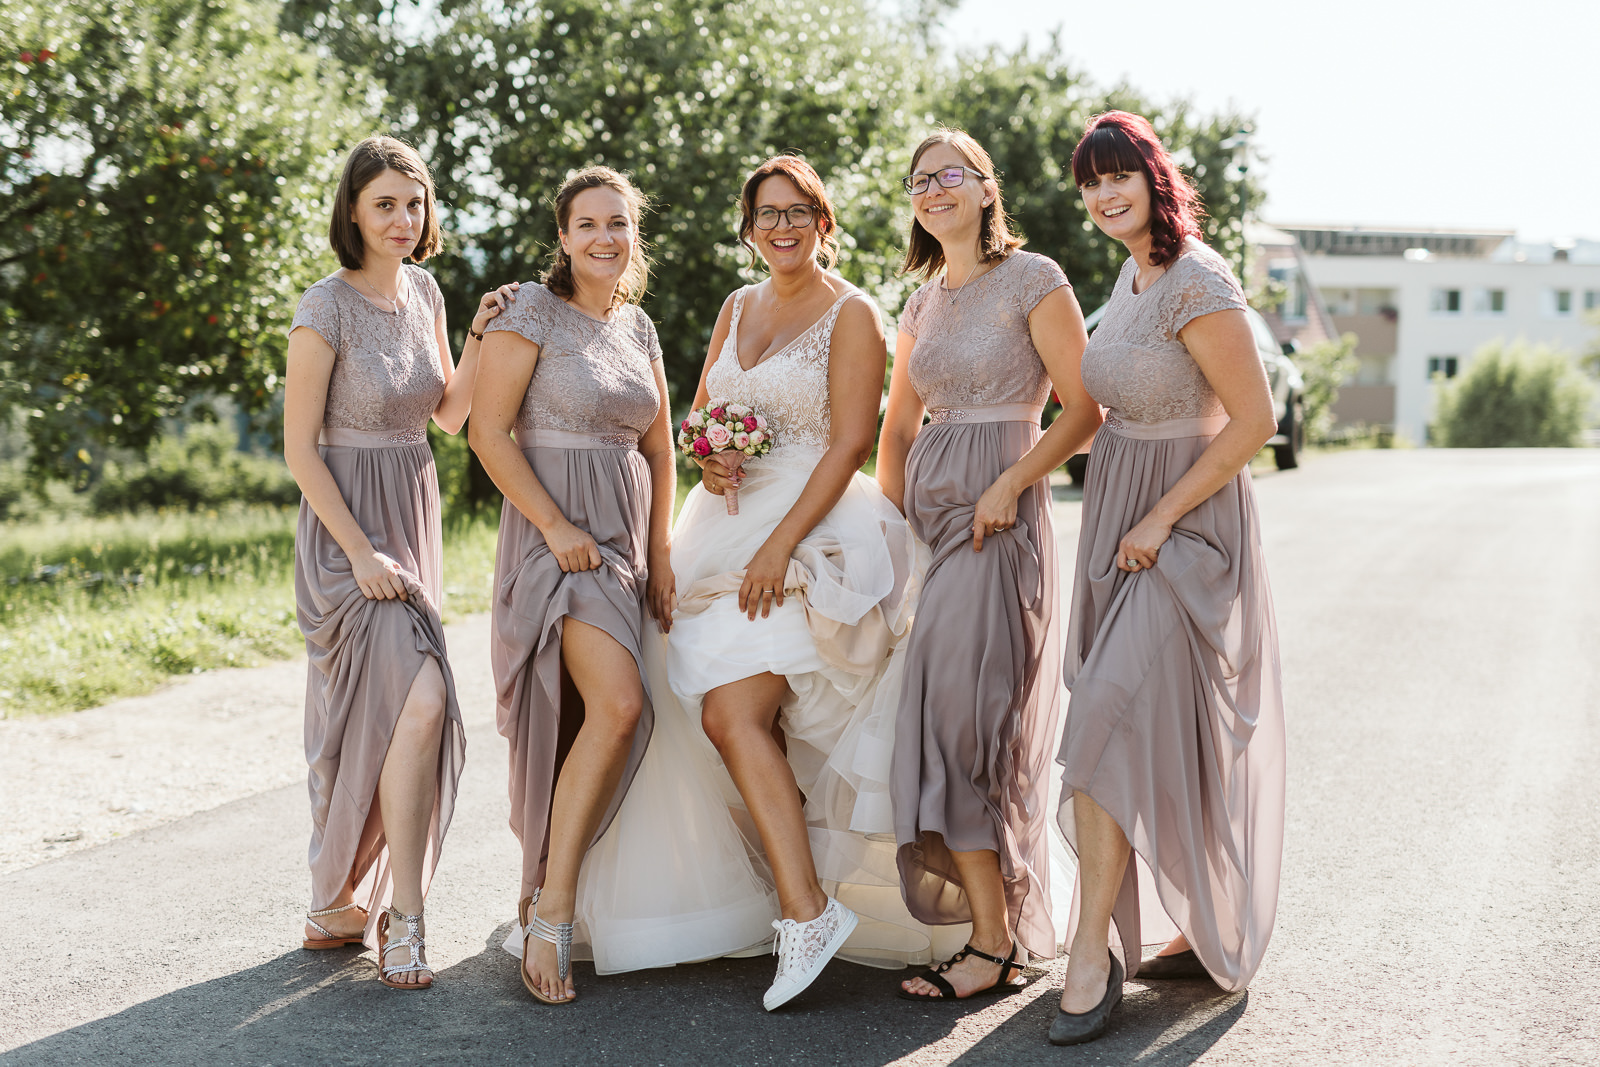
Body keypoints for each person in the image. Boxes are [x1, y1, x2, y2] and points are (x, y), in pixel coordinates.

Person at [575, 154, 931, 1010]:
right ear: (749, 225)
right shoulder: (737, 306)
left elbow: (850, 442)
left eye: (797, 211)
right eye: (766, 213)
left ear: (823, 221)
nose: (781, 226)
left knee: (735, 711)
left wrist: (781, 546)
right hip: (719, 526)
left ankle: (808, 915)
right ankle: (782, 894)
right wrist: (714, 452)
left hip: (812, 531)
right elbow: (696, 416)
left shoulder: (855, 313)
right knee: (704, 707)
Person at [1049, 110, 1286, 1046]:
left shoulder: (1199, 278)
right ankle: (1184, 922)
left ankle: (1090, 948)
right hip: (1120, 513)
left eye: (1120, 176)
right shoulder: (1130, 272)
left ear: (1154, 177)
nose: (1106, 196)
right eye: (1090, 183)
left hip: (1185, 526)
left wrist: (1158, 514)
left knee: (1102, 714)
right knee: (1152, 727)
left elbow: (1254, 417)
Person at [876, 129, 1099, 1002]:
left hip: (997, 529)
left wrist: (1012, 482)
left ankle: (994, 941)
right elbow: (897, 429)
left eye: (950, 175)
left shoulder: (1033, 278)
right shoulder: (921, 302)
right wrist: (893, 532)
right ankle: (994, 932)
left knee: (965, 726)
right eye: (920, 180)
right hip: (932, 534)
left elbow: (1085, 409)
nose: (934, 189)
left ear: (984, 187)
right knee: (939, 720)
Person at [286, 135, 512, 989]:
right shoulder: (325, 305)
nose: (402, 219)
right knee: (407, 706)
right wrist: (361, 551)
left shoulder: (425, 292)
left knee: (401, 710)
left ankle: (356, 905)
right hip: (348, 535)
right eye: (384, 204)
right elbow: (300, 451)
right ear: (352, 211)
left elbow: (448, 415)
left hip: (409, 514)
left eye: (413, 204)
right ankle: (389, 912)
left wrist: (484, 333)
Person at [468, 167, 676, 1006]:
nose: (604, 238)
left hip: (624, 541)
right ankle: (552, 908)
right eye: (587, 224)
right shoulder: (530, 312)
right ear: (562, 236)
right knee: (617, 704)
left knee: (595, 715)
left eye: (618, 223)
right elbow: (486, 431)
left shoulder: (640, 326)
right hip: (556, 540)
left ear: (634, 234)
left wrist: (660, 554)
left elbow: (659, 448)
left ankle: (544, 890)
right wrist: (556, 527)